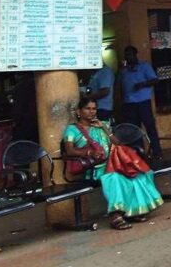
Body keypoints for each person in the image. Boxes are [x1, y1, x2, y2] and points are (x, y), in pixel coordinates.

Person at [63, 97, 164, 229]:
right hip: (93, 168)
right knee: (116, 178)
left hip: (112, 163)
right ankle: (116, 217)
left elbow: (118, 144)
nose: (91, 112)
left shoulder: (101, 125)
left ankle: (133, 212)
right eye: (87, 109)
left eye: (94, 109)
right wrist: (89, 153)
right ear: (79, 111)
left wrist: (105, 128)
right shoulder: (72, 130)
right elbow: (69, 150)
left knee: (137, 174)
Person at [119, 46, 162, 159]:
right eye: (126, 55)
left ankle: (157, 152)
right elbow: (119, 85)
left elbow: (155, 80)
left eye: (130, 54)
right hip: (129, 103)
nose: (128, 57)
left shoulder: (144, 66)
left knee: (150, 127)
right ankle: (140, 154)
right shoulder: (124, 70)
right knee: (134, 130)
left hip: (143, 102)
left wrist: (143, 84)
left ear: (135, 55)